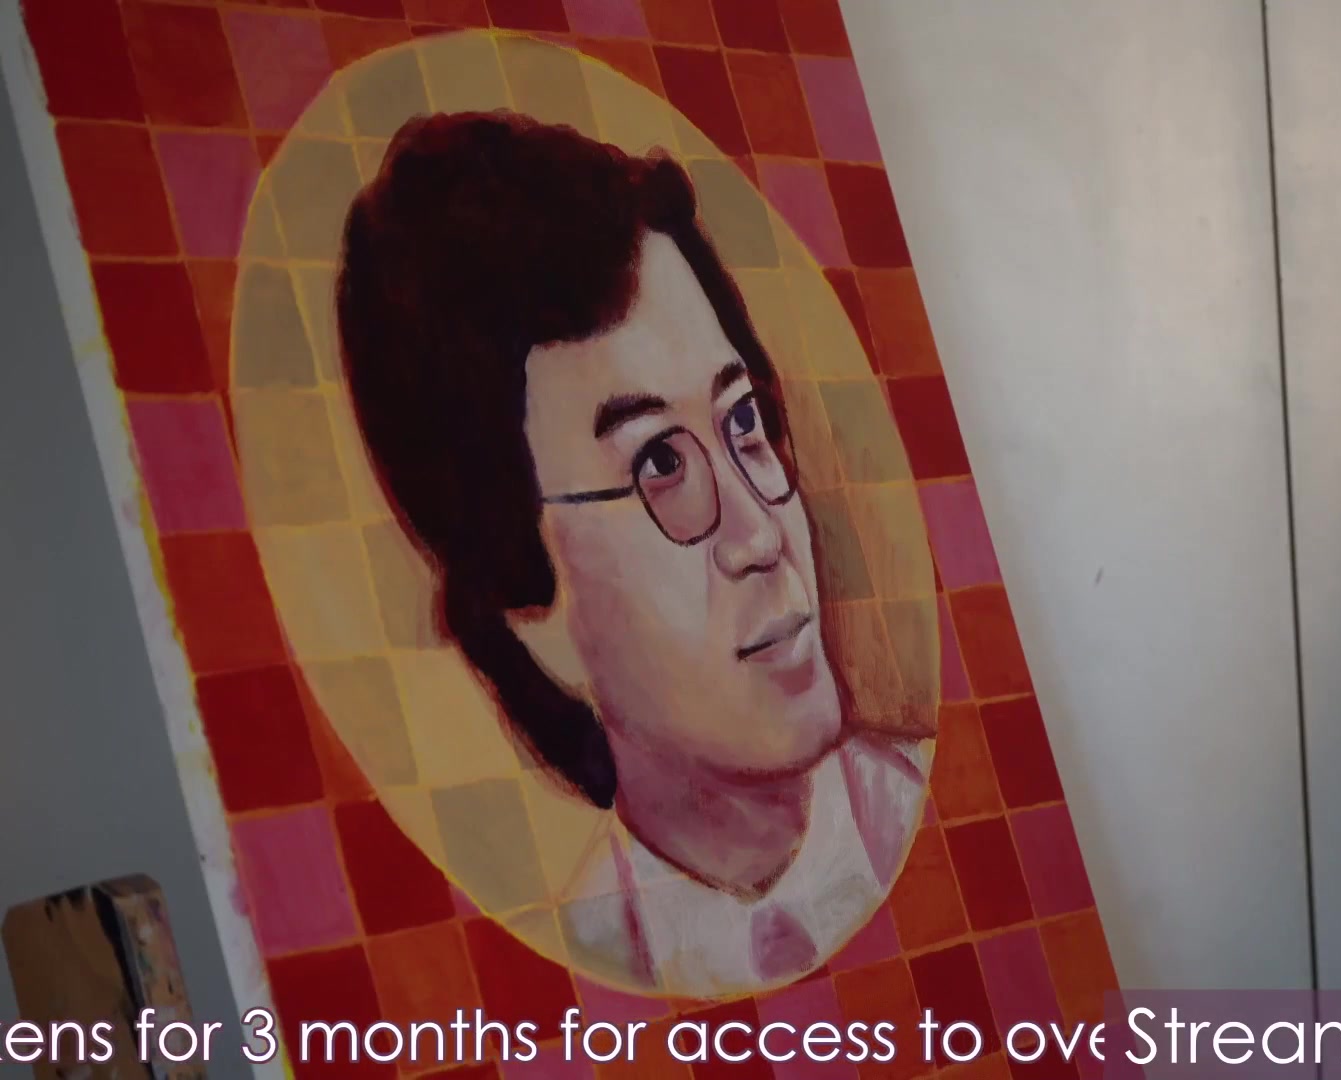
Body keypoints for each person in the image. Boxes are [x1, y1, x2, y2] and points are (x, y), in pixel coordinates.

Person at [336, 111, 929, 995]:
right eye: (660, 464)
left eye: (743, 421)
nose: (762, 535)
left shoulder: (926, 815)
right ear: (530, 614)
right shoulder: (573, 978)